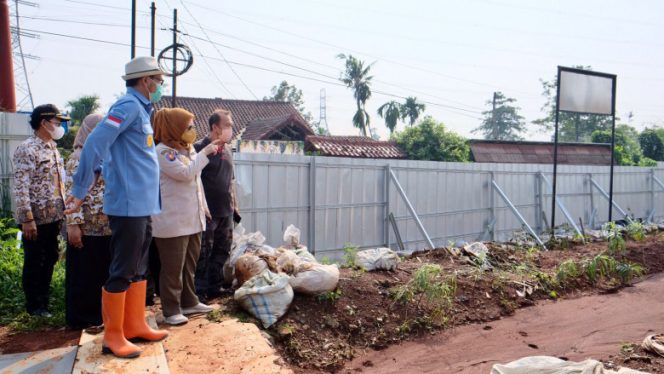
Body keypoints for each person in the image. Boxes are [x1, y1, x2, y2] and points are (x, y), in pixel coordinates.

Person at [66, 56, 168, 359]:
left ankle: (134, 324)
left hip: (142, 203)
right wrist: (82, 187)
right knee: (123, 268)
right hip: (127, 203)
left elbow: (117, 153)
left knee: (139, 266)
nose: (161, 86)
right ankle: (112, 336)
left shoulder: (141, 109)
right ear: (146, 80)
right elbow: (96, 143)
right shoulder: (126, 107)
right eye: (158, 80)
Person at [151, 108, 220, 325]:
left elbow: (196, 181)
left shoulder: (186, 149)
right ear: (174, 127)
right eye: (188, 126)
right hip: (173, 221)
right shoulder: (163, 152)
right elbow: (185, 174)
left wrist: (205, 207)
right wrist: (205, 152)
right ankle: (171, 310)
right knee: (173, 268)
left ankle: (189, 301)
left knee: (189, 265)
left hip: (192, 217)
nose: (192, 131)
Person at [12, 104, 70, 318]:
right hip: (35, 219)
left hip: (53, 216)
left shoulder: (52, 147)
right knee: (35, 260)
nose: (59, 126)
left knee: (51, 257)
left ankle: (44, 301)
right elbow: (20, 186)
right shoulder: (27, 149)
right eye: (56, 122)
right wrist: (27, 219)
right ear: (44, 123)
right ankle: (34, 306)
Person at [64, 113, 112, 329]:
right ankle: (81, 319)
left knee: (99, 273)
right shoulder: (78, 157)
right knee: (84, 275)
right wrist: (73, 225)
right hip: (86, 228)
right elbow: (70, 194)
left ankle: (98, 316)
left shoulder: (102, 155)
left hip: (104, 227)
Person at [194, 109, 241, 303]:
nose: (231, 129)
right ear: (215, 127)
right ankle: (200, 292)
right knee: (204, 253)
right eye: (228, 125)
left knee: (223, 249)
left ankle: (215, 287)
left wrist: (235, 206)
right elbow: (192, 179)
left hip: (226, 211)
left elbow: (231, 182)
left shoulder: (229, 151)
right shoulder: (199, 148)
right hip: (207, 213)